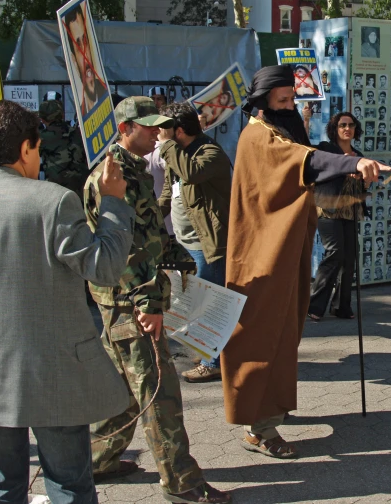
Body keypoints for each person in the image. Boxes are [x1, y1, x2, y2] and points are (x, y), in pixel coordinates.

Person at [223, 65, 388, 459]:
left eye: (292, 100)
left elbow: (305, 162)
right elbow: (303, 160)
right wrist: (351, 163)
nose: (290, 106)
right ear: (264, 102)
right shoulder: (258, 135)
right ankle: (258, 428)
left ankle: (270, 411)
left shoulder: (277, 130)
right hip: (260, 256)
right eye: (283, 101)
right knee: (261, 335)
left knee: (284, 333)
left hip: (284, 248)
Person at [84, 96, 230, 503]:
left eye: (158, 126)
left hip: (126, 298)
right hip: (129, 301)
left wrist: (176, 256)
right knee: (159, 392)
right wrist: (148, 303)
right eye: (148, 127)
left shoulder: (134, 169)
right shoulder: (114, 176)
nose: (156, 133)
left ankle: (96, 461)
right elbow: (123, 248)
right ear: (124, 130)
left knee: (127, 388)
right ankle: (183, 484)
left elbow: (148, 231)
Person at [0, 100, 134, 503]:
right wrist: (113, 203)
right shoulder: (51, 201)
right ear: (25, 149)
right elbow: (104, 268)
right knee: (69, 484)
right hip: (52, 372)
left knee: (0, 486)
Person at [155, 103, 233, 383]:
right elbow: (167, 192)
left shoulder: (210, 153)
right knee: (194, 302)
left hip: (207, 244)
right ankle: (208, 351)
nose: (157, 134)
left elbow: (192, 174)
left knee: (210, 302)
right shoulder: (178, 154)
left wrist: (166, 145)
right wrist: (149, 217)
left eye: (163, 128)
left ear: (178, 129)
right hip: (184, 241)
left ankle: (213, 362)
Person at [307, 112, 366, 321]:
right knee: (335, 253)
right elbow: (311, 163)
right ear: (335, 128)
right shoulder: (326, 149)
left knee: (349, 258)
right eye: (342, 125)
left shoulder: (358, 154)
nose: (347, 129)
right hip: (328, 208)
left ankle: (341, 306)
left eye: (350, 125)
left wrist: (362, 176)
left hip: (350, 210)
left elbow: (364, 186)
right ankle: (315, 305)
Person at [37, 98, 89, 201]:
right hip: (81, 192)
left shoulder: (41, 139)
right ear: (62, 115)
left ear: (42, 119)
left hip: (56, 194)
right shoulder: (80, 133)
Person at [63, 2, 107, 116]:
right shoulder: (80, 115)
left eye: (86, 41)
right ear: (73, 60)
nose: (85, 55)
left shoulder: (108, 100)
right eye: (78, 47)